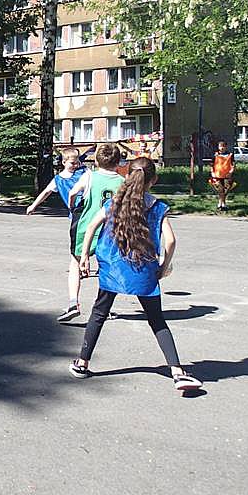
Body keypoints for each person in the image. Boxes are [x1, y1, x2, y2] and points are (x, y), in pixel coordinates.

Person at [72, 157, 203, 393]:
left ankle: (82, 363)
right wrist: (163, 266)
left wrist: (84, 257)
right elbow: (171, 241)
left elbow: (91, 227)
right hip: (143, 269)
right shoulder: (158, 207)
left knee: (99, 313)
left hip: (113, 268)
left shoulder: (113, 203)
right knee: (156, 319)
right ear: (154, 180)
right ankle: (177, 372)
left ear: (128, 175)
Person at [56, 144, 126, 321]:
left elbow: (72, 193)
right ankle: (103, 307)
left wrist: (72, 206)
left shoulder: (89, 176)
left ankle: (73, 303)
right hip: (110, 231)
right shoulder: (122, 181)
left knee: (75, 262)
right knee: (105, 268)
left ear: (96, 161)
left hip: (86, 227)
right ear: (118, 162)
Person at [25, 147, 87, 321]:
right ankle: (78, 303)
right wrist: (34, 205)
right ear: (63, 162)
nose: (76, 165)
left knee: (79, 260)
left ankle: (89, 305)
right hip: (77, 218)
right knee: (77, 259)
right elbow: (45, 192)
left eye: (77, 162)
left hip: (85, 214)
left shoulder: (84, 173)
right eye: (72, 162)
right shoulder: (59, 179)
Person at [209, 140, 236, 211]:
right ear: (218, 147)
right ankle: (221, 204)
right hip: (217, 175)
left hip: (227, 176)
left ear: (226, 147)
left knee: (226, 189)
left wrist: (231, 172)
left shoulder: (230, 155)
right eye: (220, 146)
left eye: (223, 146)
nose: (222, 148)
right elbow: (211, 164)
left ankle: (222, 202)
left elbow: (233, 165)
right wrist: (212, 172)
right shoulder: (215, 155)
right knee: (220, 190)